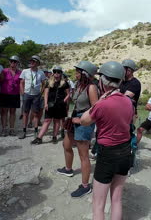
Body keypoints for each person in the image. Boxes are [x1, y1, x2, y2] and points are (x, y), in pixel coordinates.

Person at [80, 61, 134, 220]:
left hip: (107, 154)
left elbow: (84, 120)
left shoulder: (102, 104)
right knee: (116, 199)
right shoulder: (128, 101)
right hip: (125, 152)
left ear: (103, 81)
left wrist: (99, 101)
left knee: (98, 204)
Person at [57, 61, 98, 198]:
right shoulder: (80, 86)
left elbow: (95, 109)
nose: (75, 74)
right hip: (75, 117)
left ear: (85, 73)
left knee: (83, 155)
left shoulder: (91, 88)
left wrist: (81, 120)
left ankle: (85, 186)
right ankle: (68, 169)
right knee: (66, 144)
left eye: (78, 71)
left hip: (84, 121)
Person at [32, 66, 70, 144]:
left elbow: (69, 94)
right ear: (53, 73)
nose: (56, 73)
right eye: (55, 71)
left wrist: (64, 101)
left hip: (60, 105)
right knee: (47, 120)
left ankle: (54, 136)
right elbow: (46, 94)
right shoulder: (49, 82)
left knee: (57, 121)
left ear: (61, 73)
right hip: (50, 104)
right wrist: (45, 103)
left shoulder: (64, 83)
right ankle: (39, 137)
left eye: (58, 72)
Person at [19, 55, 46, 139]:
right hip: (27, 94)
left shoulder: (41, 73)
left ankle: (35, 131)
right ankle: (24, 131)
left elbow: (44, 83)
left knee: (35, 114)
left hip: (36, 95)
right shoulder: (25, 71)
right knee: (25, 113)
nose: (31, 63)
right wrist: (23, 93)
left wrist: (41, 93)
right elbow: (21, 82)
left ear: (37, 63)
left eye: (33, 61)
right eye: (31, 61)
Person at [0, 55, 22, 136]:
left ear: (17, 63)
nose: (13, 63)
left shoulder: (20, 72)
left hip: (15, 94)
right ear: (9, 62)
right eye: (11, 61)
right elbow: (0, 81)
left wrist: (22, 93)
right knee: (4, 112)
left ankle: (12, 129)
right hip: (5, 94)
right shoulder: (4, 71)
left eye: (15, 61)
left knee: (13, 112)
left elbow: (21, 83)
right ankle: (4, 129)